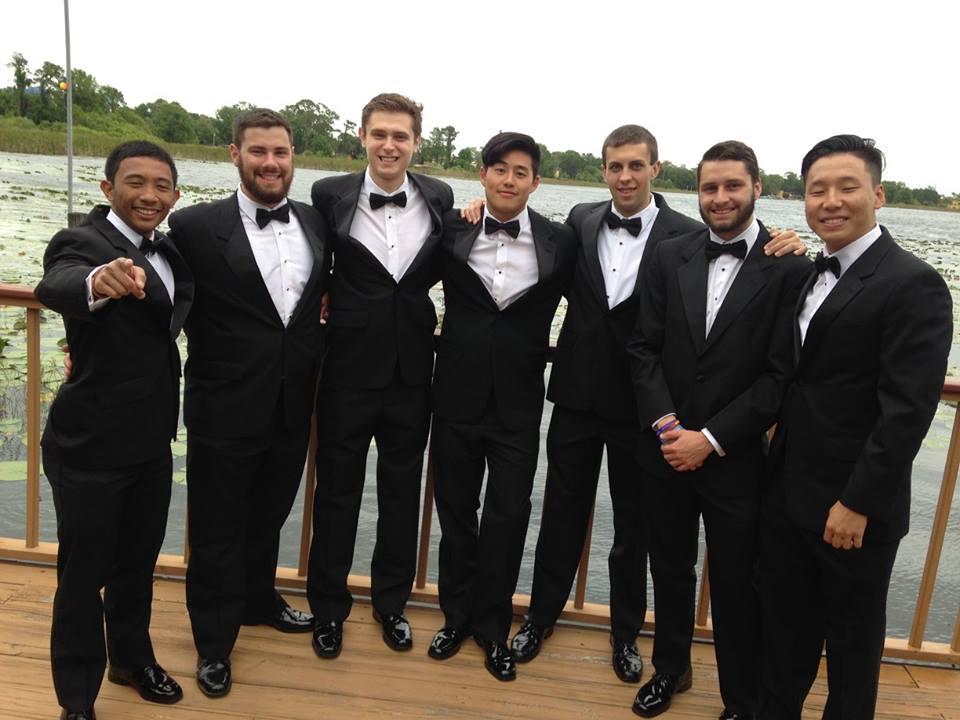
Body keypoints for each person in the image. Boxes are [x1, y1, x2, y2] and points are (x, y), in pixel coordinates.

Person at [758, 135, 952, 720]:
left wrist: (856, 503)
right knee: (784, 638)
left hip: (853, 510)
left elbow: (906, 411)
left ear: (878, 195)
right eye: (817, 190)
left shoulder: (913, 282)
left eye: (847, 187)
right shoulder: (808, 272)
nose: (831, 201)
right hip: (788, 494)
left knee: (850, 650)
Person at [511, 125, 702, 683]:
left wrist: (783, 243)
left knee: (632, 529)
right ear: (603, 170)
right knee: (560, 515)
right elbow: (530, 243)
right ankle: (539, 618)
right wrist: (477, 210)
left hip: (644, 408)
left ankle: (625, 634)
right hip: (575, 396)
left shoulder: (688, 235)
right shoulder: (581, 219)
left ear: (655, 169)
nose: (625, 176)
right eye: (615, 166)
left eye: (636, 166)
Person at [627, 140, 810, 719]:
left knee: (736, 582)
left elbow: (780, 376)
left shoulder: (790, 267)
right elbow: (643, 348)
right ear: (697, 192)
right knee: (669, 568)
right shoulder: (669, 255)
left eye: (733, 185)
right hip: (666, 449)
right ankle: (670, 671)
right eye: (710, 187)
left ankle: (740, 699)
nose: (721, 197)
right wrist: (669, 427)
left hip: (736, 457)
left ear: (757, 187)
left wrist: (708, 440)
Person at [167, 108, 330, 697]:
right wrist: (83, 333)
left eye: (280, 152)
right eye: (258, 151)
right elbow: (129, 254)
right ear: (234, 154)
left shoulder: (315, 221)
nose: (270, 163)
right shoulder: (192, 226)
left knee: (269, 514)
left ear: (293, 158)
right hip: (224, 407)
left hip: (292, 402)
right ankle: (213, 643)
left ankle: (259, 599)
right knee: (217, 529)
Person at [36, 140, 193, 720]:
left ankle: (131, 659)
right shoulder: (83, 242)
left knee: (137, 566)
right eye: (136, 182)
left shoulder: (169, 248)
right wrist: (97, 281)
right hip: (91, 445)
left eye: (161, 186)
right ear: (108, 188)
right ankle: (77, 699)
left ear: (175, 195)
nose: (149, 195)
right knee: (83, 576)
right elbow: (58, 282)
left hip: (151, 442)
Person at [307, 93, 454, 659]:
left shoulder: (439, 196)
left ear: (416, 142)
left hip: (412, 373)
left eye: (400, 136)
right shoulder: (328, 194)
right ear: (363, 137)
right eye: (379, 134)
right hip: (346, 369)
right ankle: (328, 608)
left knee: (401, 494)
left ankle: (391, 603)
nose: (389, 145)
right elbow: (312, 257)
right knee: (335, 494)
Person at [426, 132, 577, 681]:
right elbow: (399, 280)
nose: (508, 180)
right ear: (483, 174)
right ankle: (455, 616)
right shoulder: (452, 228)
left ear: (536, 182)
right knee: (455, 513)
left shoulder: (563, 242)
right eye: (499, 169)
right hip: (455, 397)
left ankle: (492, 627)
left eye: (520, 172)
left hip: (518, 404)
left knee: (508, 517)